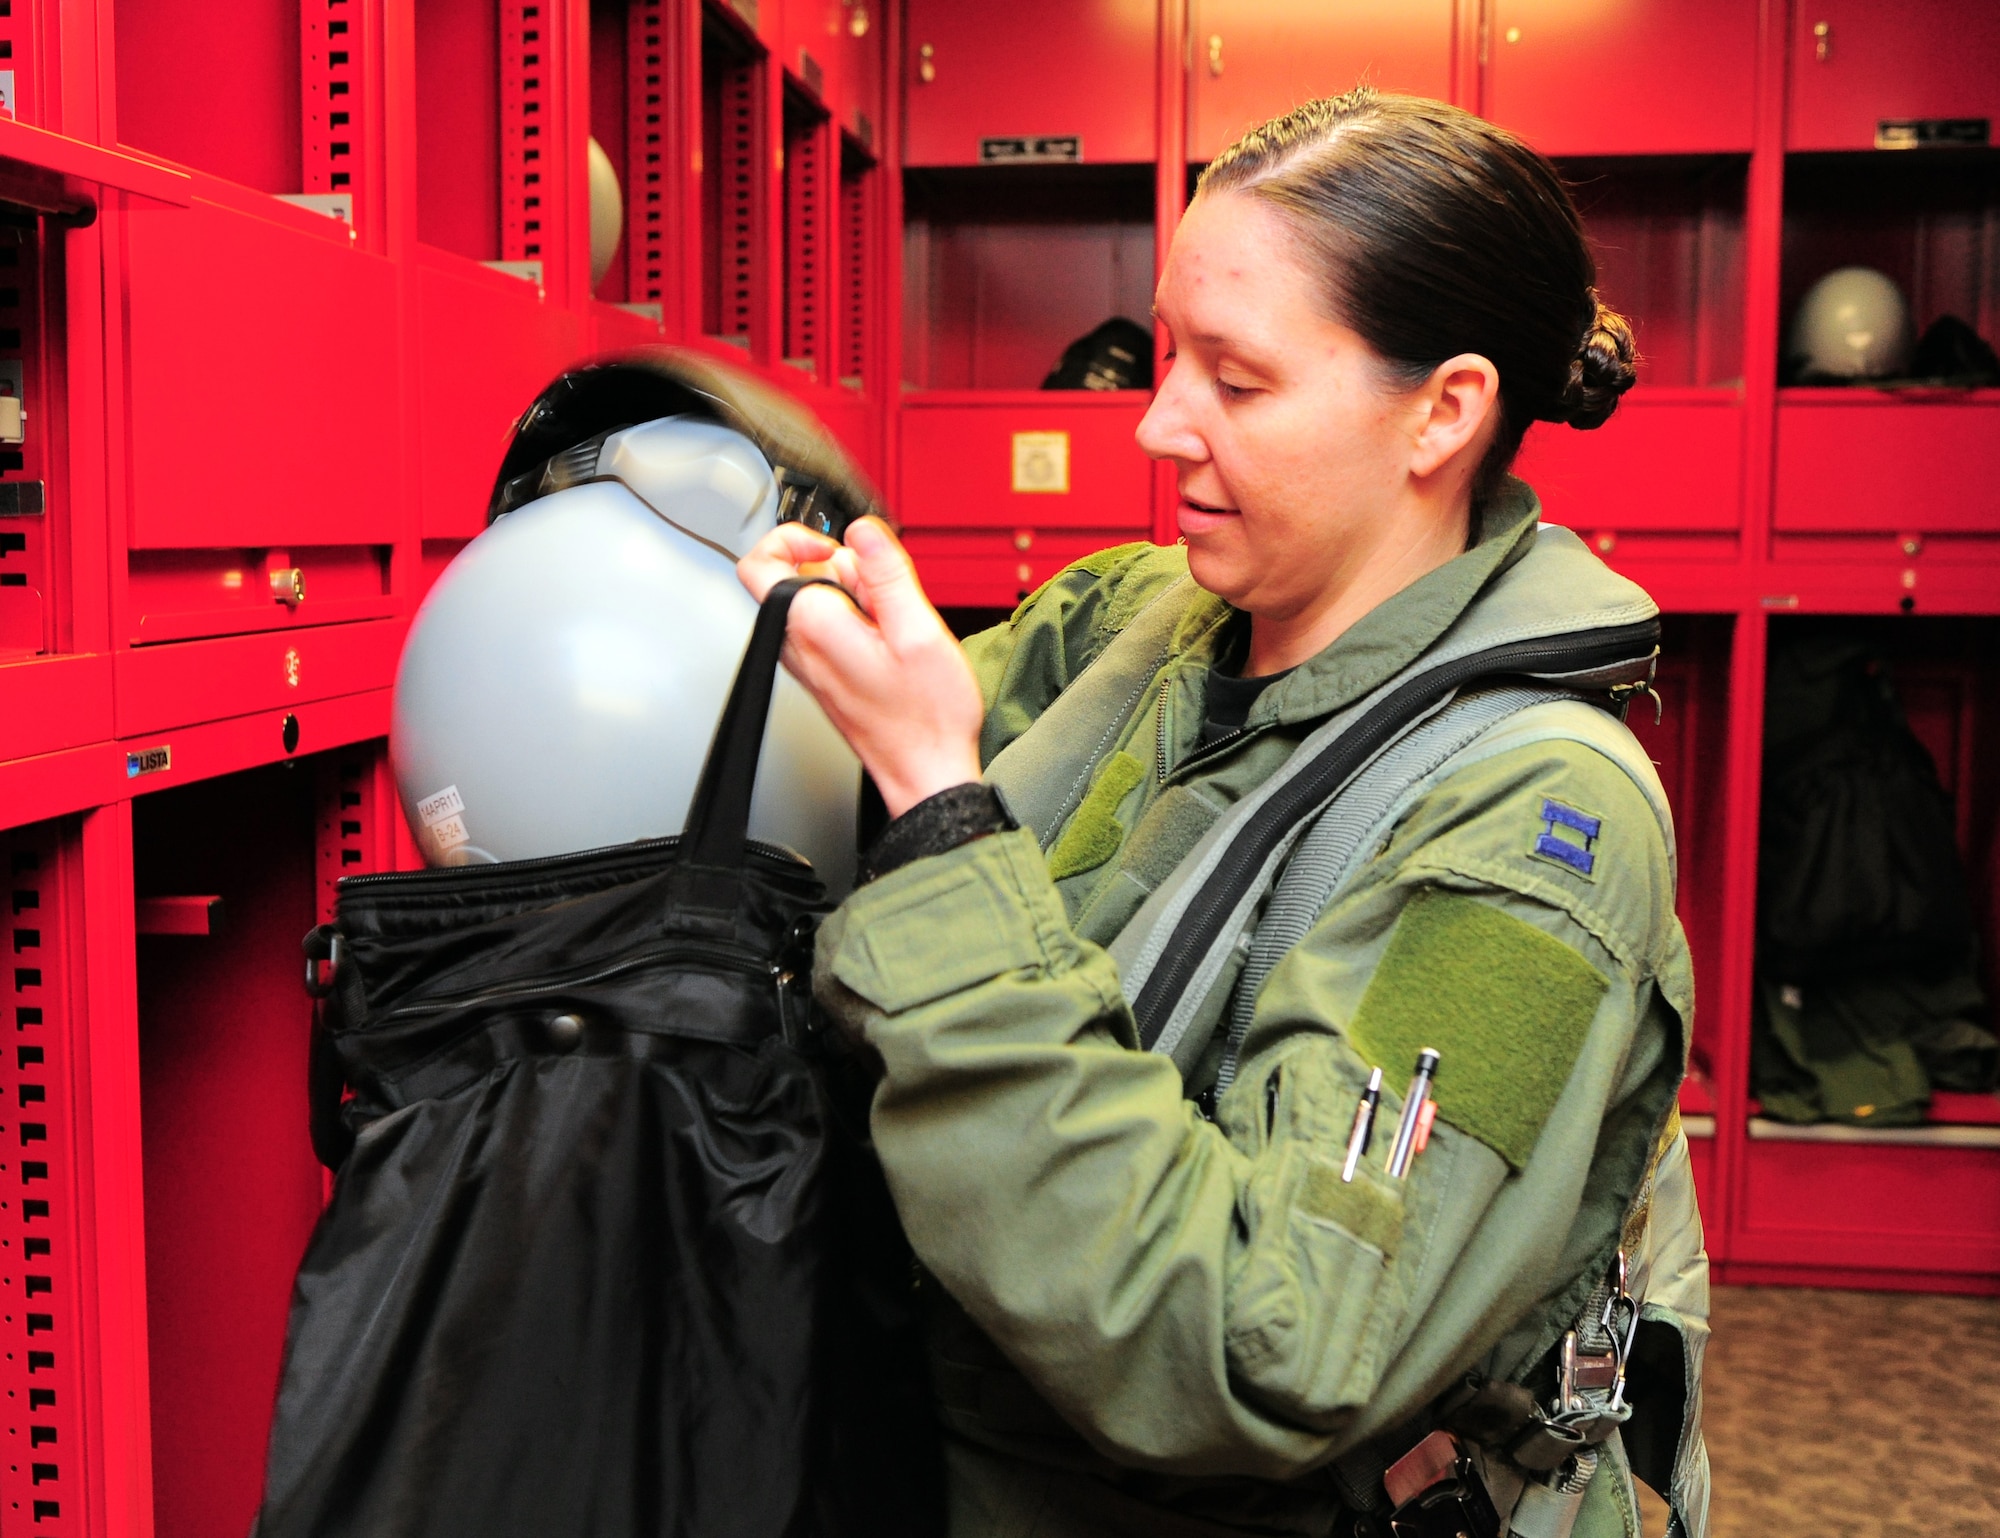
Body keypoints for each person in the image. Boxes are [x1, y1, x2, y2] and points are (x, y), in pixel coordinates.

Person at [740, 88, 1709, 1538]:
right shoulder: (1147, 625)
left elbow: (1274, 1345)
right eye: (1168, 352)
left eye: (1235, 381)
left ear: (1443, 410)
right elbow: (831, 760)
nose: (1153, 422)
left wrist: (946, 825)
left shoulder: (1537, 833)